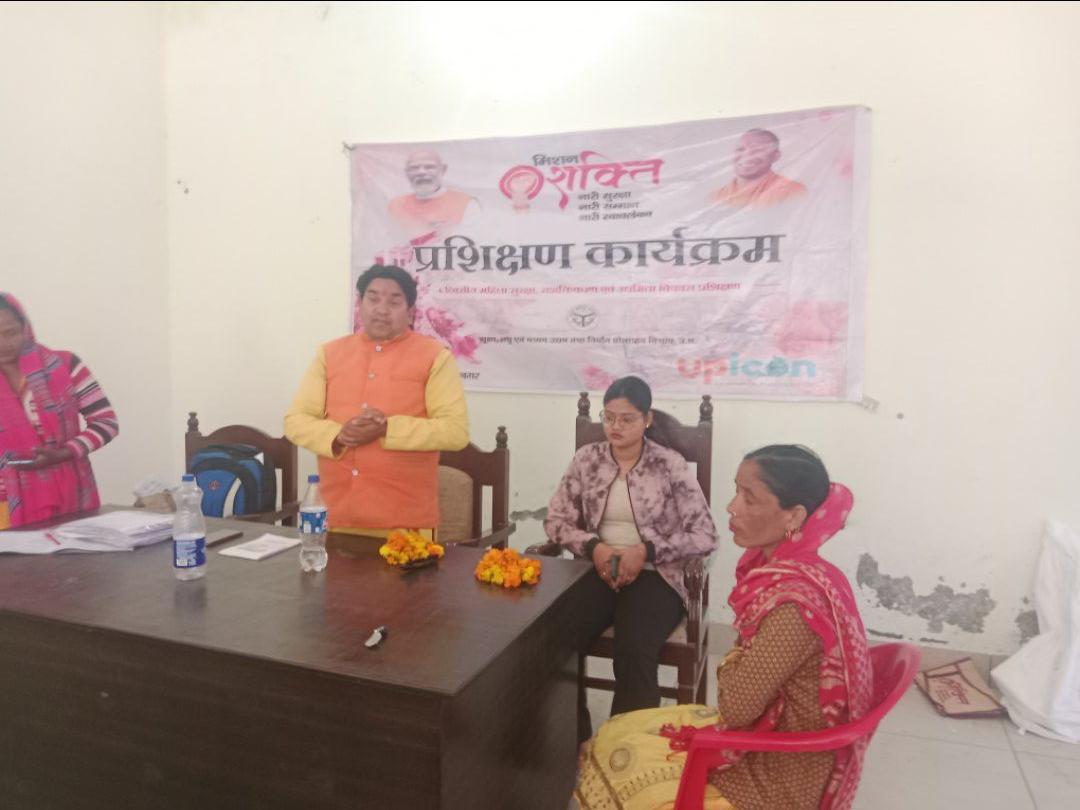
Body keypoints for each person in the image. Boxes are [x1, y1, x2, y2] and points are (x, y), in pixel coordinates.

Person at [572, 445, 871, 810]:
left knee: (618, 759)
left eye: (749, 498)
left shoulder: (792, 607)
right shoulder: (809, 574)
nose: (732, 506)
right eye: (736, 491)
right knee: (619, 731)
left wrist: (734, 658)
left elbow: (735, 708)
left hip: (778, 772)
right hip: (770, 735)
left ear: (793, 516)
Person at [544, 376, 718, 743]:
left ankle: (626, 749)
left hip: (657, 575)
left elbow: (705, 534)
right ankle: (569, 739)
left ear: (647, 419)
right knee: (554, 637)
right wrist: (594, 547)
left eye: (627, 419)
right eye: (608, 417)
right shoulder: (587, 459)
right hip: (597, 568)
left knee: (634, 648)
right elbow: (556, 521)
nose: (615, 427)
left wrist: (646, 551)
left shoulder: (668, 464)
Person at [284, 265, 469, 537]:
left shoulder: (435, 356)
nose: (381, 309)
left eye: (394, 301)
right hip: (335, 517)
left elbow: (455, 431)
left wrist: (387, 428)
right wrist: (339, 435)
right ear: (359, 305)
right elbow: (296, 421)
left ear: (411, 312)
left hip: (405, 525)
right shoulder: (330, 354)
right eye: (373, 299)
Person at [0, 293, 119, 530]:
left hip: (71, 494)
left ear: (25, 328)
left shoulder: (65, 365)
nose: (3, 343)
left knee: (74, 554)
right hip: (6, 505)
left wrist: (63, 453)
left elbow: (106, 423)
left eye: (10, 333)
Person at [387, 149, 480, 244]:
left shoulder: (466, 203)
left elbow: (473, 244)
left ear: (443, 170)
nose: (421, 172)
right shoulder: (396, 205)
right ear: (407, 172)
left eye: (429, 167)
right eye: (414, 168)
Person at [710, 129, 807, 210]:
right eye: (740, 149)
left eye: (757, 150)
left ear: (776, 156)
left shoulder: (792, 192)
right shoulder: (717, 197)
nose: (747, 155)